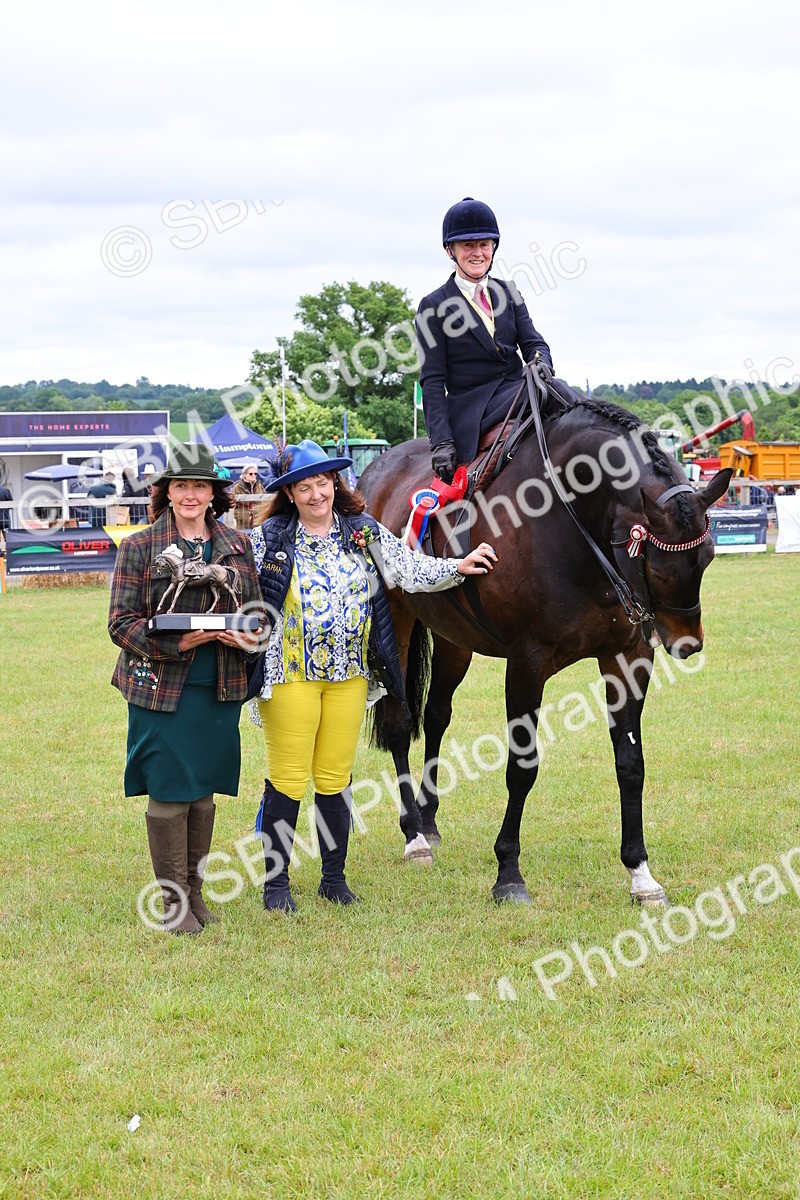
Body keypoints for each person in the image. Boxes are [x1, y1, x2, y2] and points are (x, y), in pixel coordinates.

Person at [249, 439, 498, 912]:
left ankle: (333, 878)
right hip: (290, 676)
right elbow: (236, 571)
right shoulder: (270, 539)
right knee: (287, 777)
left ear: (335, 484)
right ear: (290, 494)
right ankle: (276, 884)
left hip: (349, 676)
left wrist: (457, 567)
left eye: (322, 482)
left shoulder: (362, 531)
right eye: (304, 487)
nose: (316, 494)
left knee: (334, 776)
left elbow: (407, 567)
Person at [108, 444, 262, 934]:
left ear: (214, 493)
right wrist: (180, 642)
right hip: (162, 687)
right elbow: (120, 624)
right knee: (171, 789)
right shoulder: (138, 546)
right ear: (167, 493)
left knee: (202, 792)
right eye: (181, 486)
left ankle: (195, 895)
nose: (190, 495)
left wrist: (245, 634)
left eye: (200, 486)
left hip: (219, 685)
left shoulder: (237, 545)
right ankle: (173, 904)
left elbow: (257, 615)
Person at [416, 197, 571, 483]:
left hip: (517, 391)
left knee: (560, 393)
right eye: (468, 246)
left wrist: (541, 364)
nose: (477, 253)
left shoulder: (508, 292)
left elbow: (534, 344)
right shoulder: (433, 306)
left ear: (493, 247)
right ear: (450, 251)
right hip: (473, 406)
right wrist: (440, 441)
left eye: (484, 245)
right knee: (553, 390)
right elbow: (433, 381)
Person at [232, 461, 266, 530]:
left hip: (258, 523)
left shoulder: (259, 486)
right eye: (251, 474)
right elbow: (233, 506)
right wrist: (243, 516)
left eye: (255, 474)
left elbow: (265, 503)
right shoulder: (237, 487)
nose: (253, 475)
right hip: (242, 525)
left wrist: (260, 515)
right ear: (244, 475)